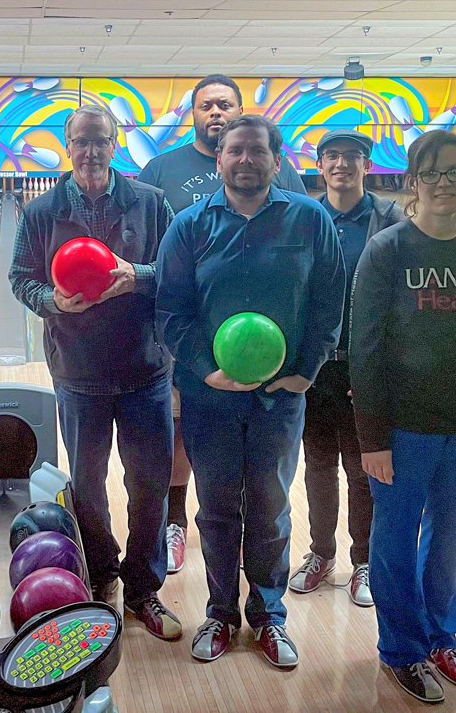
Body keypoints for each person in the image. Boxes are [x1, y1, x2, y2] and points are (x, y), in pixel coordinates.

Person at [156, 115, 344, 668]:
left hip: (280, 398)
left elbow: (330, 300)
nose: (245, 160)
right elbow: (170, 311)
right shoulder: (189, 226)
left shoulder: (309, 219)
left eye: (256, 151)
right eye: (234, 151)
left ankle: (268, 616)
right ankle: (220, 613)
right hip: (210, 396)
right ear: (219, 159)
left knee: (269, 506)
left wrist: (307, 370)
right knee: (216, 509)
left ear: (276, 160)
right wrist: (204, 369)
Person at [9, 104, 180, 640]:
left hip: (144, 368)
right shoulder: (41, 211)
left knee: (150, 484)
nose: (90, 151)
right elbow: (20, 278)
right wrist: (53, 301)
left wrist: (139, 274)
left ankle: (143, 586)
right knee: (87, 485)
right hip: (78, 371)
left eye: (100, 140)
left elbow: (176, 269)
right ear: (68, 145)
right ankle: (104, 573)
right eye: (81, 141)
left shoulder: (150, 202)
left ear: (115, 143)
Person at [350, 130, 456, 703]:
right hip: (402, 428)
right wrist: (372, 437)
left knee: (448, 541)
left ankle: (441, 636)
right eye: (431, 172)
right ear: (413, 181)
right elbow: (365, 346)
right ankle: (402, 650)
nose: (444, 182)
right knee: (393, 541)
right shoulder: (388, 249)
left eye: (455, 171)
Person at [136, 74, 307, 574]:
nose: (215, 112)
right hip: (190, 347)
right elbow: (156, 267)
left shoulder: (285, 184)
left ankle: (263, 590)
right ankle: (175, 524)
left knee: (266, 491)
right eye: (206, 105)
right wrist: (186, 354)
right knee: (182, 443)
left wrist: (308, 362)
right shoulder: (161, 169)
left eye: (225, 105)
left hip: (271, 361)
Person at [289, 128, 400, 606]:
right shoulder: (305, 218)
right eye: (331, 156)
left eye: (352, 156)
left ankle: (364, 561)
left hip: (364, 367)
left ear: (367, 165)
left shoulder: (389, 220)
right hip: (316, 367)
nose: (341, 164)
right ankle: (321, 553)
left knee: (360, 470)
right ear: (320, 165)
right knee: (318, 467)